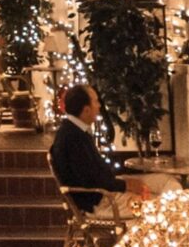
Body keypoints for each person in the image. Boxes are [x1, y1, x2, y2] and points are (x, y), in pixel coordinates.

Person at [50, 84, 179, 217]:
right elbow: (91, 181)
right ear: (86, 110)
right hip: (102, 202)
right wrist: (126, 185)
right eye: (96, 101)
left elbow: (96, 174)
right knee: (167, 204)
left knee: (167, 182)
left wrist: (125, 182)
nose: (99, 106)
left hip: (109, 188)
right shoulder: (72, 137)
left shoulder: (76, 130)